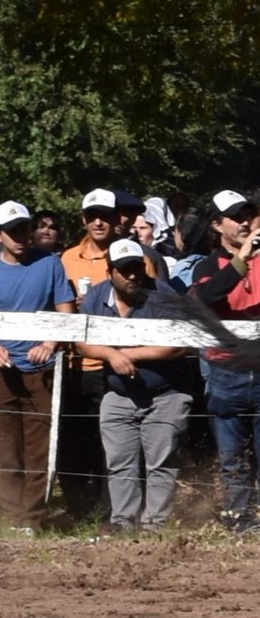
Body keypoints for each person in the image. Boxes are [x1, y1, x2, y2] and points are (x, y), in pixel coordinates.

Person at [193, 190, 260, 532]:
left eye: (246, 215)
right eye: (235, 217)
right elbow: (207, 297)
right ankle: (240, 520)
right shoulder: (207, 265)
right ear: (216, 225)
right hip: (226, 371)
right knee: (232, 458)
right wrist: (242, 260)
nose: (242, 222)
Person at [73, 239, 192, 534]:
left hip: (165, 394)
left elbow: (178, 346)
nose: (133, 276)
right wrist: (111, 355)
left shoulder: (163, 294)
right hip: (119, 394)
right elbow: (81, 341)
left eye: (137, 268)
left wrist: (127, 354)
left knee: (161, 463)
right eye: (125, 270)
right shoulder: (97, 297)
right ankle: (123, 521)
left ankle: (155, 524)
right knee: (119, 462)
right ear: (110, 271)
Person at [0, 201, 75, 533]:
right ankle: (13, 516)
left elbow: (65, 310)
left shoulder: (51, 264)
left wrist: (50, 343)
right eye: (11, 231)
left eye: (23, 229)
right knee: (5, 447)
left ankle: (32, 519)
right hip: (3, 370)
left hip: (41, 369)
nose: (20, 236)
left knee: (39, 447)